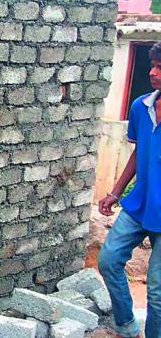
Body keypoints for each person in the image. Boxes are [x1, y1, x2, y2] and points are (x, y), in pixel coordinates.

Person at [98, 42, 161, 338]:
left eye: (160, 68)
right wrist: (116, 192)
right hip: (139, 204)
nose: (153, 72)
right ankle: (126, 327)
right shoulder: (141, 106)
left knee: (158, 292)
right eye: (153, 65)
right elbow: (139, 152)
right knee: (109, 260)